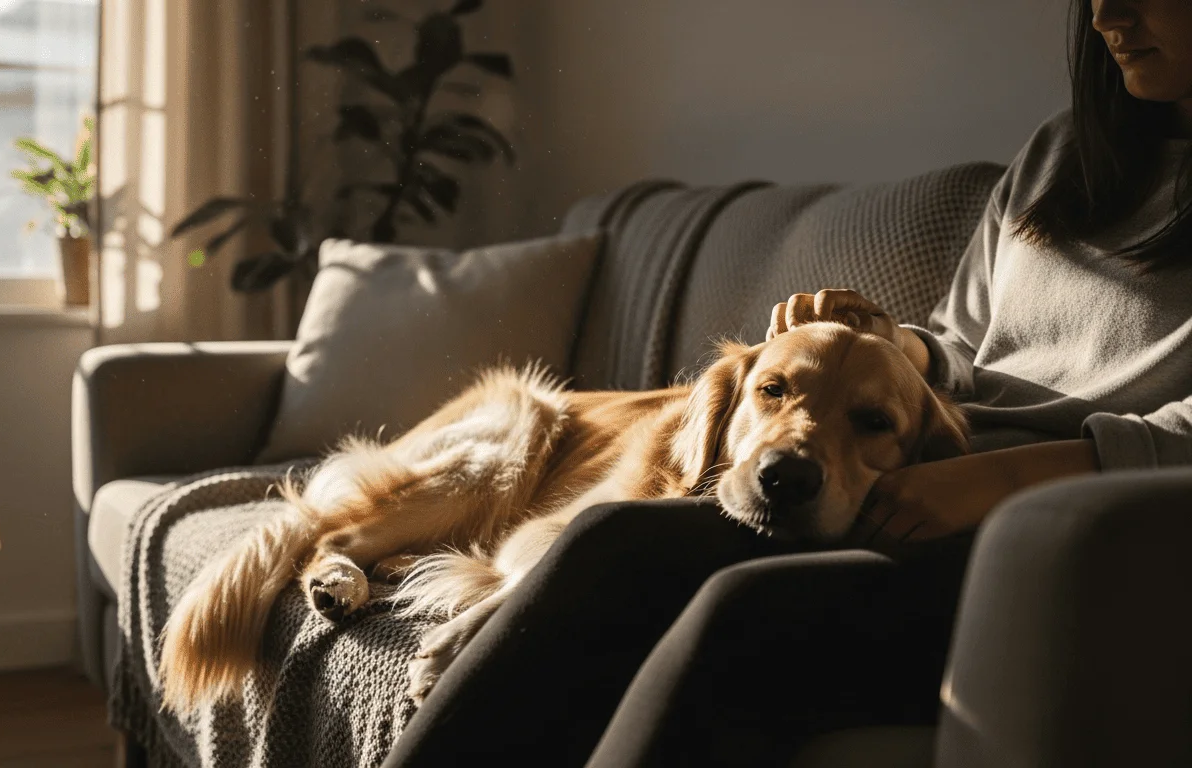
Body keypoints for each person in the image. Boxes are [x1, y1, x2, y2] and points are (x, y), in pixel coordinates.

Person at [380, 0, 1192, 765]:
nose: (1107, 17)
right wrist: (888, 344)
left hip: (1072, 537)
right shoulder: (1062, 156)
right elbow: (962, 348)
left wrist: (1000, 476)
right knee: (614, 537)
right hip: (911, 487)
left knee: (724, 606)